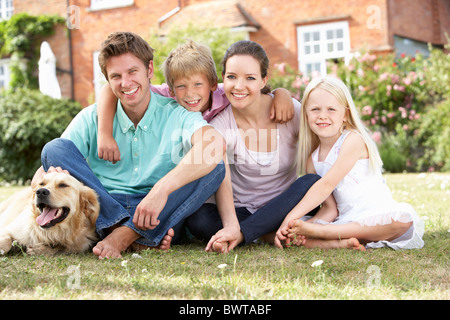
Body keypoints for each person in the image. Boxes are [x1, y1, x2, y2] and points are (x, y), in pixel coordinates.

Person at [31, 32, 227, 259]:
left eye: (133, 71)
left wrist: (160, 191)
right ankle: (127, 230)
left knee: (216, 165)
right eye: (116, 76)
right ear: (108, 80)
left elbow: (214, 145)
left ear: (149, 70)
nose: (126, 83)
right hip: (105, 203)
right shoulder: (91, 117)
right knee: (54, 148)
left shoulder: (176, 113)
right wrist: (42, 177)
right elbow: (47, 166)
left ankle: (123, 235)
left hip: (157, 209)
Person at [186, 40, 328, 253]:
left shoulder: (290, 111)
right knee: (199, 220)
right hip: (242, 209)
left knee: (312, 182)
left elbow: (320, 151)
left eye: (250, 78)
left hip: (284, 205)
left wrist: (283, 93)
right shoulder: (220, 125)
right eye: (232, 77)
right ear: (223, 79)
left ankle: (247, 235)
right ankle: (267, 232)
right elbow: (222, 181)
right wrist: (231, 224)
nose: (239, 86)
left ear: (263, 80)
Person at [275, 76, 424, 250]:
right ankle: (338, 242)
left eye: (331, 109)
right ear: (306, 114)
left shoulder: (353, 140)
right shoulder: (312, 160)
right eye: (315, 109)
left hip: (376, 215)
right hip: (345, 220)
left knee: (402, 221)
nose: (323, 116)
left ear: (345, 115)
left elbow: (326, 184)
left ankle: (324, 234)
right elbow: (331, 209)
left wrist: (290, 219)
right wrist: (298, 227)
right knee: (275, 235)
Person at [96, 40, 295, 164]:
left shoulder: (226, 93)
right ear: (172, 89)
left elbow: (257, 89)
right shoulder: (168, 94)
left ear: (212, 84)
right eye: (181, 87)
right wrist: (104, 135)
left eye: (198, 84)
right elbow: (110, 89)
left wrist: (282, 94)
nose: (190, 94)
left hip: (215, 161)